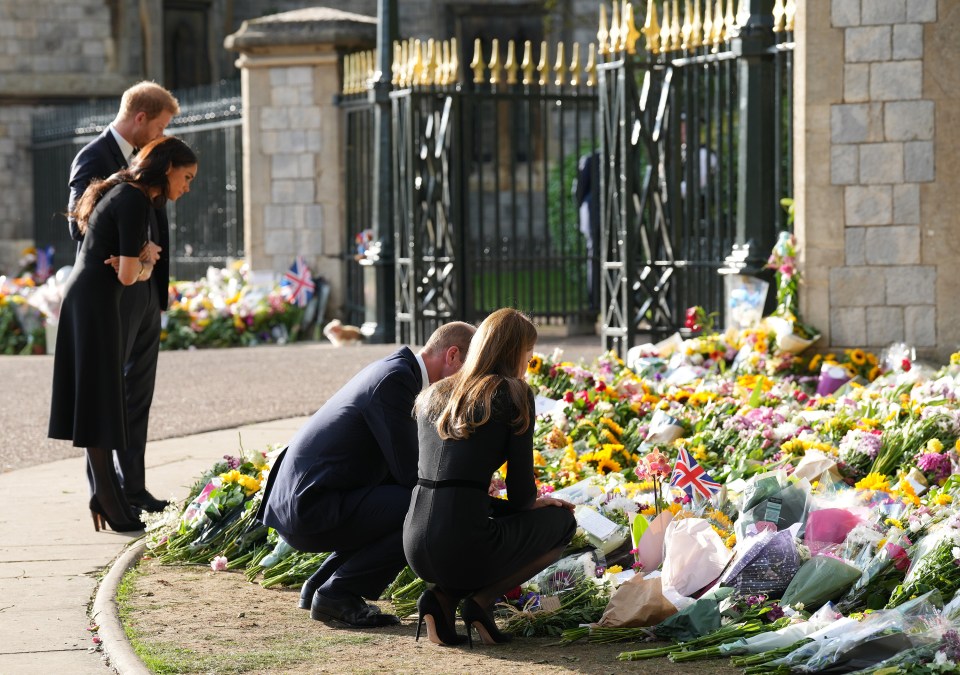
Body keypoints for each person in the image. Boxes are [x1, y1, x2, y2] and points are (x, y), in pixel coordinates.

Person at [256, 321, 477, 628]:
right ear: (453, 356)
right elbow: (411, 472)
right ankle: (340, 593)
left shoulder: (398, 370)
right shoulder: (397, 381)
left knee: (407, 502)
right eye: (471, 372)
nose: (469, 384)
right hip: (308, 507)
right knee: (426, 510)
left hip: (309, 499)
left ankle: (322, 585)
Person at [49, 136, 198, 532]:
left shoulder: (127, 193)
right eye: (186, 177)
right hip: (96, 305)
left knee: (101, 398)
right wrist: (146, 258)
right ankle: (109, 498)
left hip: (94, 302)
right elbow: (131, 275)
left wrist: (134, 261)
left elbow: (124, 269)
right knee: (99, 400)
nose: (187, 187)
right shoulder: (133, 199)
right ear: (167, 169)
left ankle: (105, 494)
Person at [403, 308, 577, 646]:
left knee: (467, 531)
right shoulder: (513, 393)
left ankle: (441, 599)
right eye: (529, 353)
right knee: (562, 523)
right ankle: (481, 602)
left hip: (413, 539)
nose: (529, 361)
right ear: (515, 352)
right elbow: (521, 493)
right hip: (461, 542)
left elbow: (447, 480)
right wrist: (533, 506)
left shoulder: (432, 394)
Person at [66, 81, 180, 513]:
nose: (161, 136)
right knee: (105, 393)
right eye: (160, 126)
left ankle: (133, 486)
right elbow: (80, 223)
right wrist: (132, 251)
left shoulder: (148, 156)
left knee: (137, 396)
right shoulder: (93, 157)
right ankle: (106, 487)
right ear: (140, 118)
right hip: (114, 291)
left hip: (146, 289)